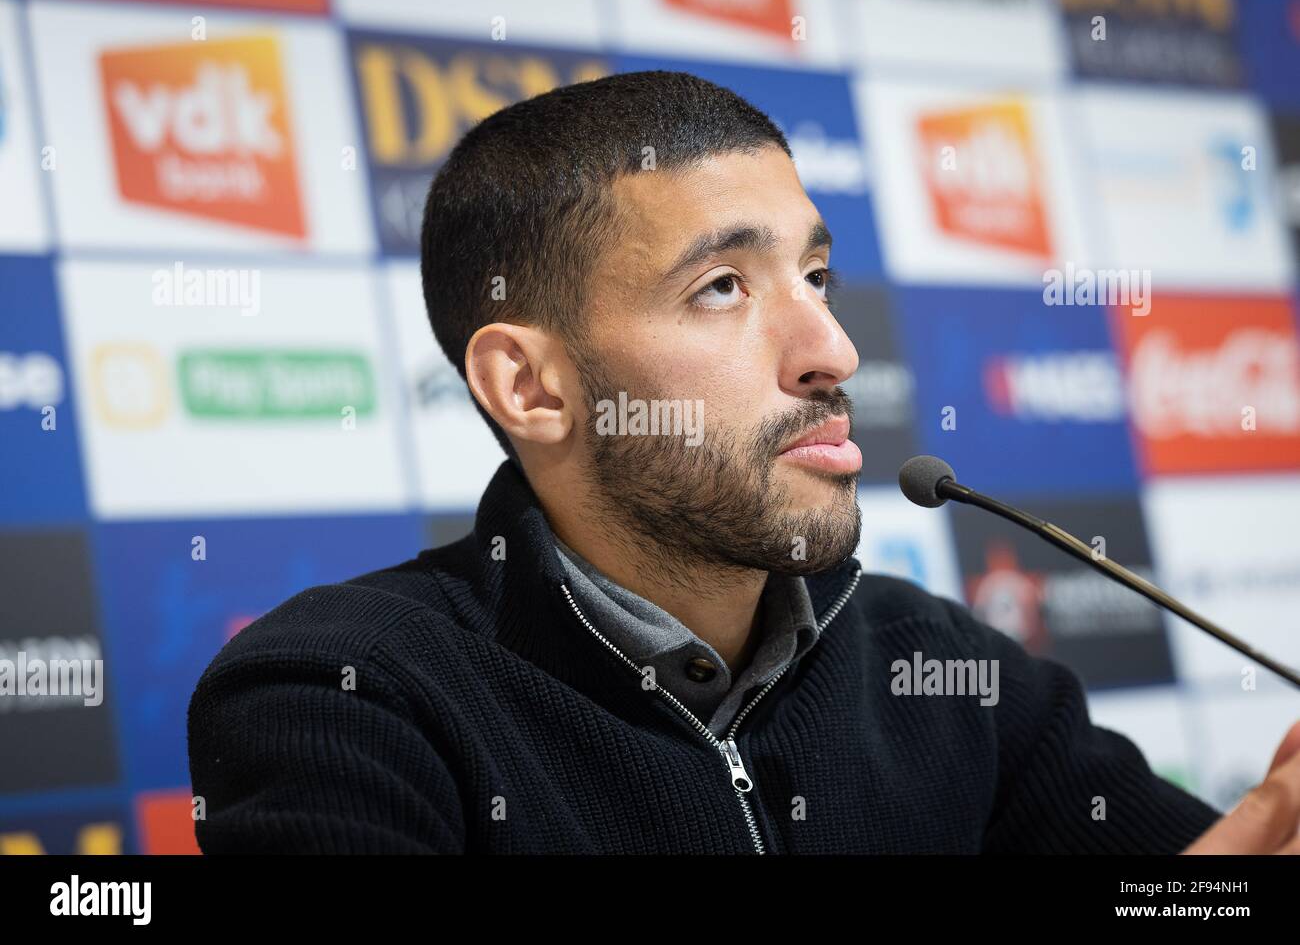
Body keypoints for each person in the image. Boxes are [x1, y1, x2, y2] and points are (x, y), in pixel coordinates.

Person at [187, 71, 1300, 854]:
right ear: (532, 388)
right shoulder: (343, 700)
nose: (834, 351)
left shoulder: (939, 669)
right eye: (721, 287)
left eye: (813, 275)